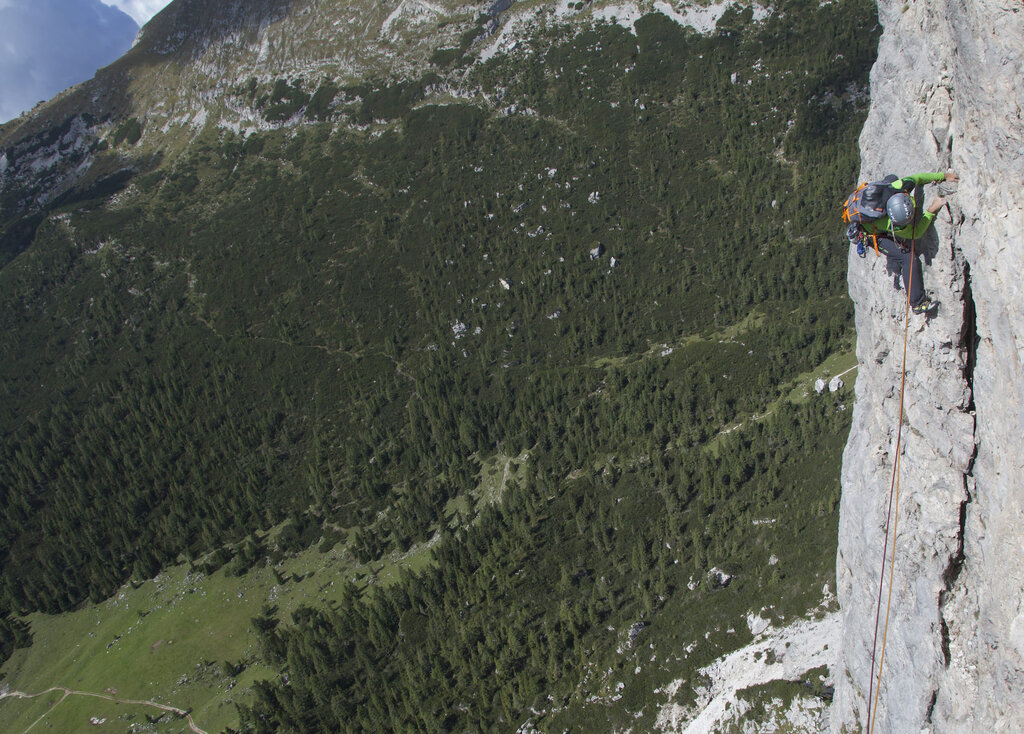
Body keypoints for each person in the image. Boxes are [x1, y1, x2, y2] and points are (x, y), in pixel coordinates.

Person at [853, 170, 958, 314]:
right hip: (869, 233)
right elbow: (916, 233)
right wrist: (931, 210)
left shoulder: (897, 187)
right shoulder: (891, 224)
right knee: (908, 258)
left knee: (892, 178)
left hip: (870, 211)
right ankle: (917, 303)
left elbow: (917, 177)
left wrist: (943, 176)